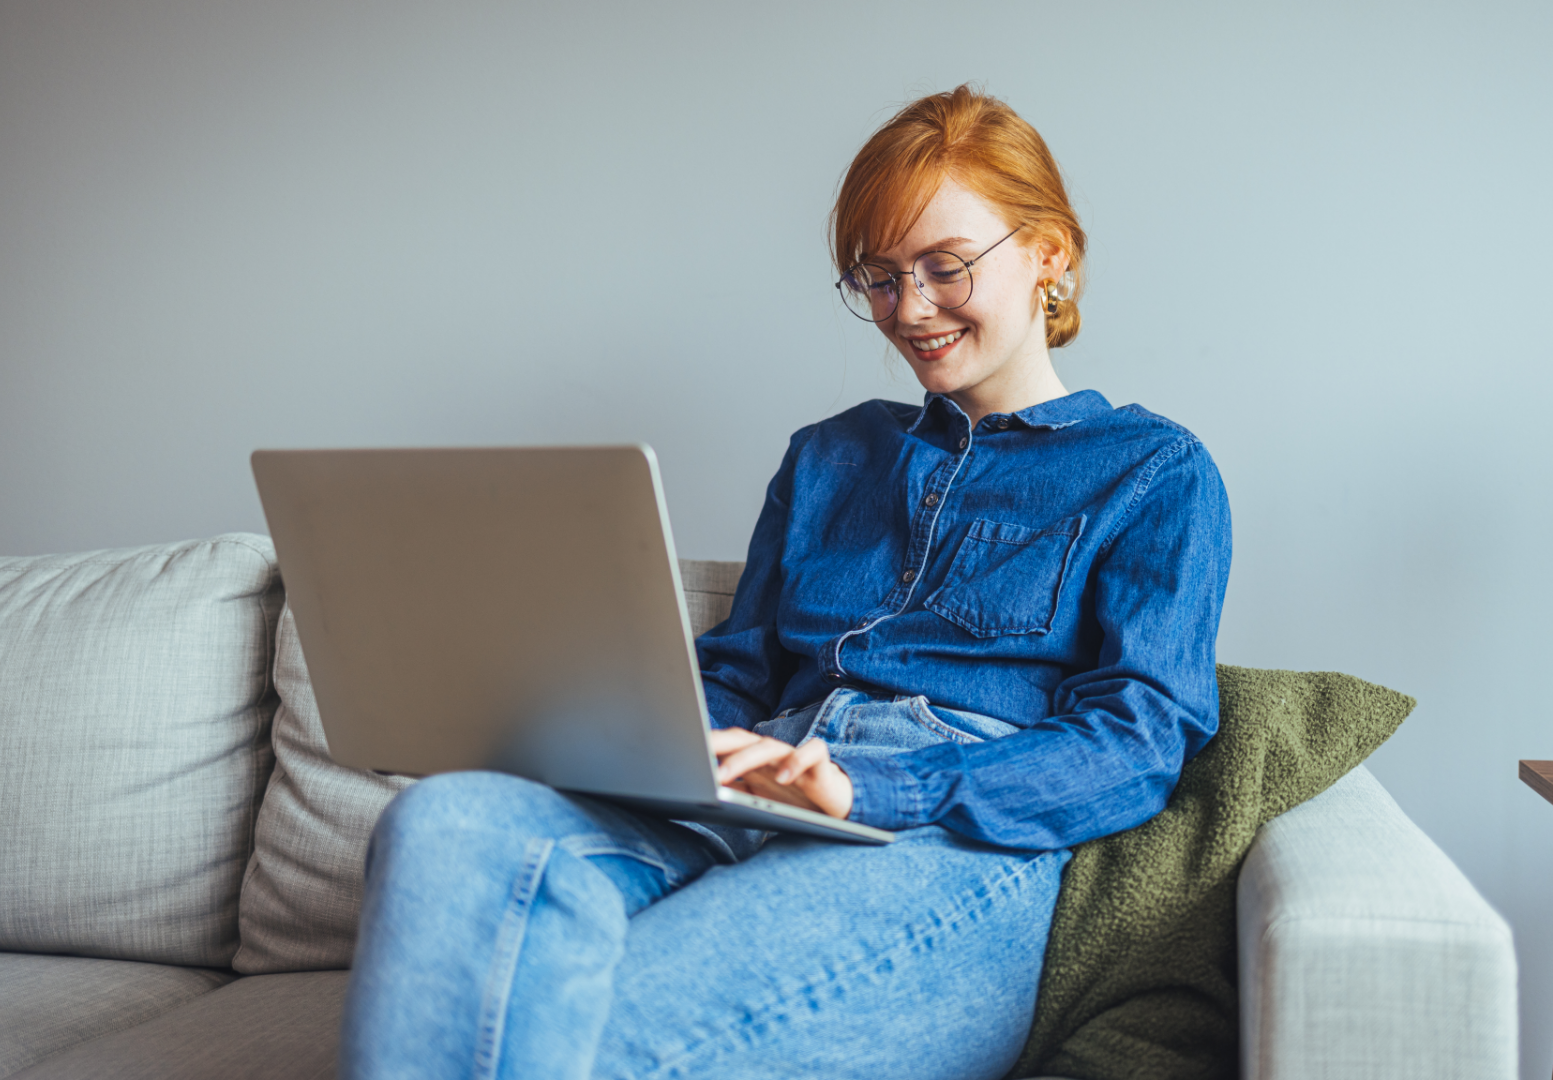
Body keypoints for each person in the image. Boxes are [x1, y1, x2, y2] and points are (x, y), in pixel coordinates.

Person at [340, 84, 1233, 1080]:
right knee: (445, 819)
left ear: (1048, 255)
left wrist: (871, 784)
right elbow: (741, 669)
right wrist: (628, 732)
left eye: (946, 266)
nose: (912, 308)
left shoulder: (1152, 471)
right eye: (881, 276)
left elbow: (1135, 744)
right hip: (750, 789)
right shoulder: (830, 456)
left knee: (593, 1037)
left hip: (946, 836)